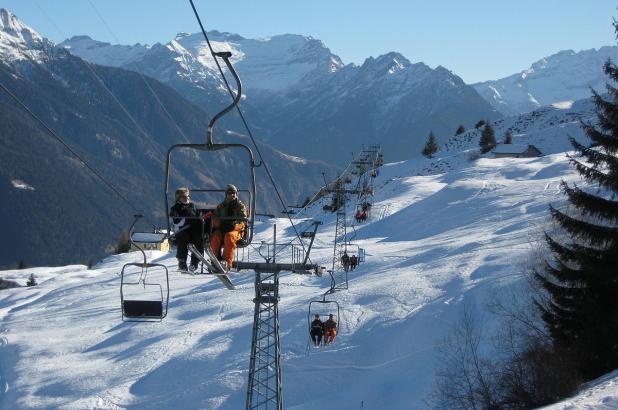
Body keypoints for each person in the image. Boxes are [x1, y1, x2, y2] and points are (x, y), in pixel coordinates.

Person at [210, 184, 248, 271]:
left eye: (234, 193)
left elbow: (243, 220)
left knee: (229, 236)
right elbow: (215, 218)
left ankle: (226, 262)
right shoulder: (221, 206)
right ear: (226, 194)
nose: (232, 195)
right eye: (230, 193)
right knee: (215, 236)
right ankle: (215, 259)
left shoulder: (240, 206)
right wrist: (218, 224)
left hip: (236, 231)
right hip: (222, 229)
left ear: (236, 194)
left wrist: (233, 225)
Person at [169, 187, 204, 272]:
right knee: (183, 238)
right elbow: (176, 222)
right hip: (181, 231)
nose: (187, 198)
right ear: (179, 199)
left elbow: (198, 215)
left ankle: (194, 263)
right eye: (184, 197)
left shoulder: (192, 206)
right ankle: (182, 263)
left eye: (188, 196)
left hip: (193, 231)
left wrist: (199, 217)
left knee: (199, 238)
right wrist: (187, 218)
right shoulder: (175, 208)